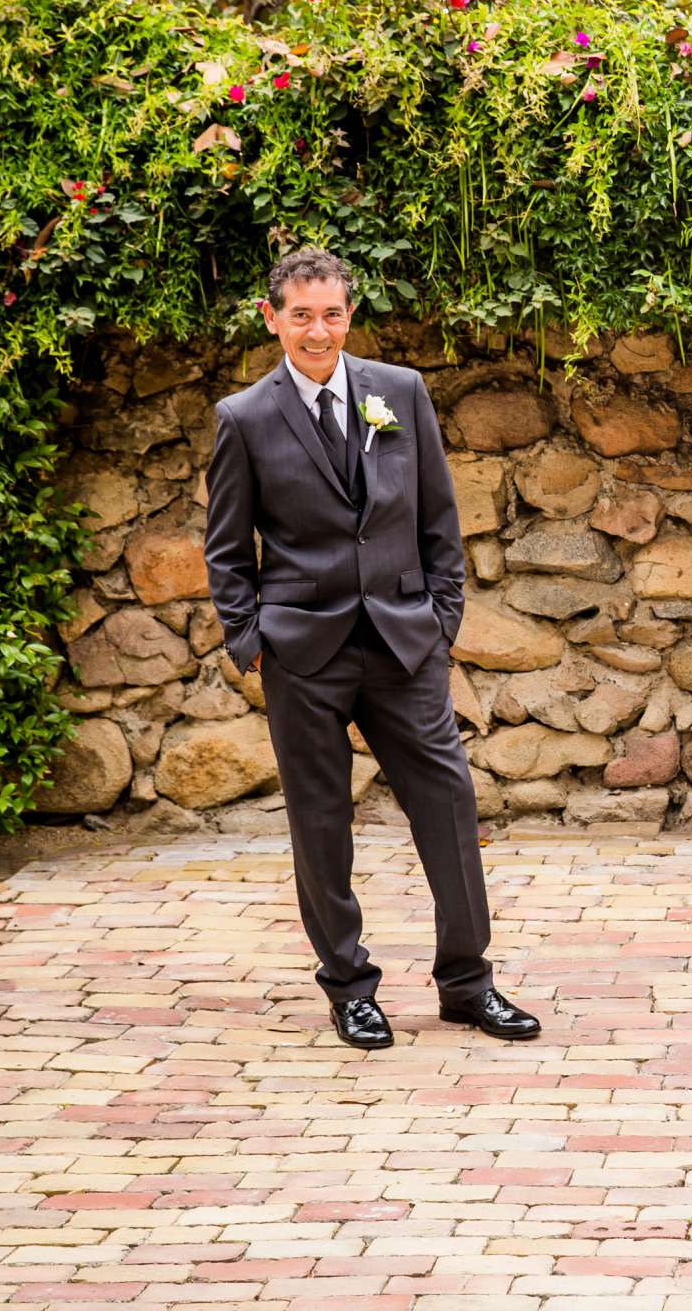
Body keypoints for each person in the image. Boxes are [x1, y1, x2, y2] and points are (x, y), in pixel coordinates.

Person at [202, 248, 539, 1050]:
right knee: (322, 824)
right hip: (302, 652)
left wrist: (440, 622)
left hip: (403, 644)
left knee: (449, 809)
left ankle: (467, 983)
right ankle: (349, 988)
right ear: (272, 316)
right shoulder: (243, 418)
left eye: (333, 314)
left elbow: (437, 519)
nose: (318, 330)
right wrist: (251, 641)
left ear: (350, 316)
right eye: (302, 314)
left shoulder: (401, 393)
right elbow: (226, 549)